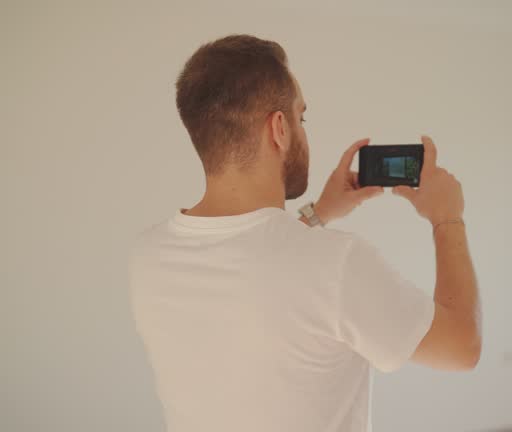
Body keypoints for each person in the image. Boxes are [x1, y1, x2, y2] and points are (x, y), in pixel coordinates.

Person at [129, 34, 481, 432]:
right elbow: (462, 347)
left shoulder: (148, 253)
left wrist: (321, 213)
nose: (303, 130)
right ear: (279, 128)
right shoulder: (335, 264)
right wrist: (447, 218)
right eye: (302, 117)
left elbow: (256, 271)